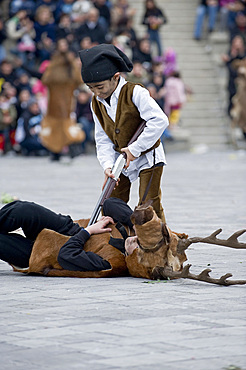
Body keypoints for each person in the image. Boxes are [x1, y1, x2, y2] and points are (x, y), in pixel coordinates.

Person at [79, 43, 169, 222]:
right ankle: (119, 243)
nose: (96, 93)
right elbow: (102, 138)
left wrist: (135, 149)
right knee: (112, 205)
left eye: (100, 87)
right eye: (91, 88)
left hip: (148, 157)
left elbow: (160, 121)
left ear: (116, 77)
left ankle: (163, 246)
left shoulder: (136, 92)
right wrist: (107, 166)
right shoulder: (95, 102)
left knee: (148, 207)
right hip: (119, 161)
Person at [0, 197, 133, 270]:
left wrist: (89, 231)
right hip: (69, 229)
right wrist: (136, 227)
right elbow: (110, 203)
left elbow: (67, 255)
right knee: (22, 210)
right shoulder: (133, 233)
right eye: (139, 240)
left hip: (47, 253)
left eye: (137, 247)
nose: (135, 241)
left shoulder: (113, 263)